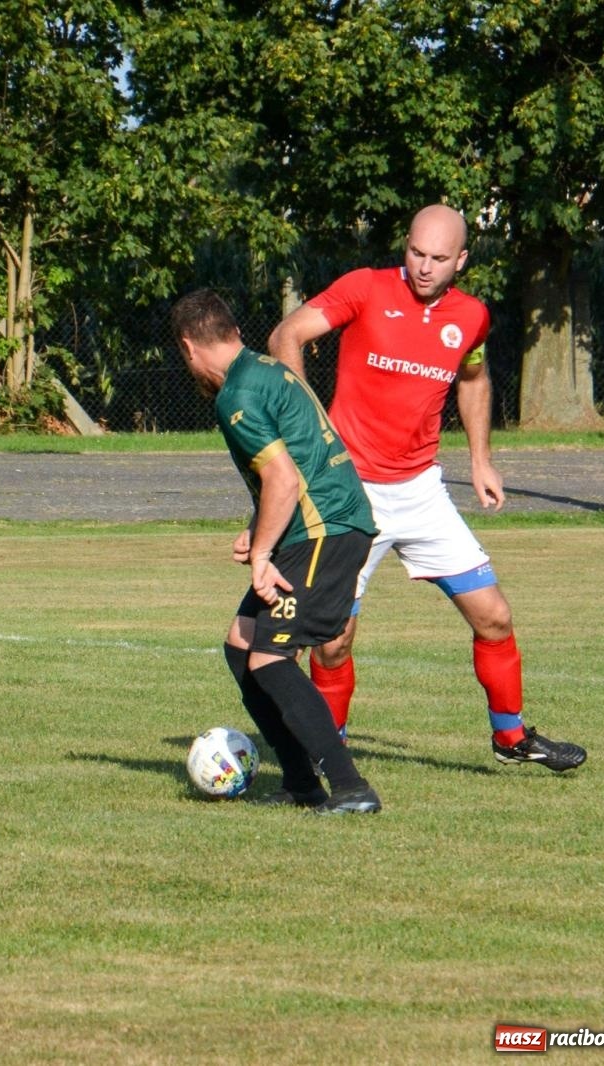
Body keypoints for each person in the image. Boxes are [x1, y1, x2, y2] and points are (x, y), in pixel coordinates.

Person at [268, 204, 586, 772]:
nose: (424, 267)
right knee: (333, 638)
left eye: (439, 258)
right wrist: (306, 427)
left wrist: (482, 461)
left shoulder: (470, 317)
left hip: (421, 492)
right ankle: (327, 747)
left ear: (461, 259)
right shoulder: (364, 288)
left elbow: (474, 377)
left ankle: (511, 740)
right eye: (417, 252)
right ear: (406, 246)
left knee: (494, 617)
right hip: (349, 494)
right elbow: (287, 334)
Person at [172, 289, 382, 814]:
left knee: (271, 656)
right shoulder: (265, 371)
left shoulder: (235, 396)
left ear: (189, 348)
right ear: (235, 333)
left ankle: (351, 787)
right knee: (241, 645)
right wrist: (257, 527)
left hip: (323, 531)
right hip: (322, 525)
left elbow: (284, 479)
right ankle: (300, 782)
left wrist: (263, 552)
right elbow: (298, 459)